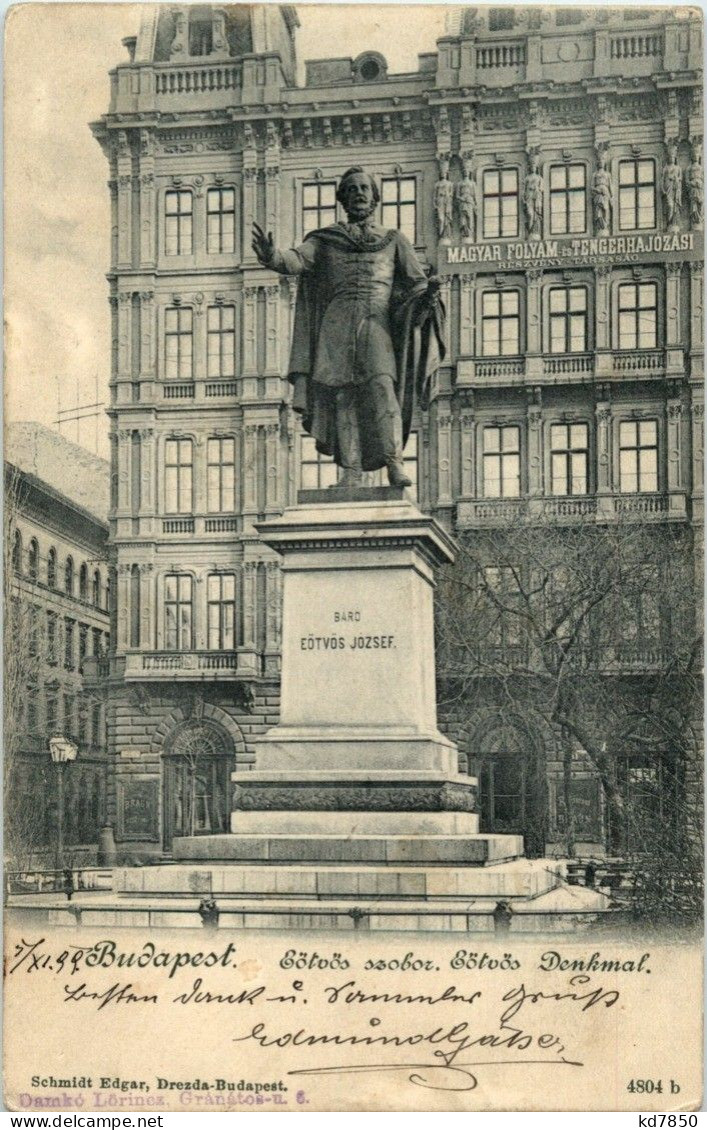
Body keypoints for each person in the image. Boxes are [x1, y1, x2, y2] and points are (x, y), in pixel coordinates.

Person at [252, 167, 445, 489]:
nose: (358, 193)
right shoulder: (325, 239)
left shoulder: (395, 240)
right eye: (351, 189)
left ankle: (394, 464)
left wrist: (429, 295)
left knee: (384, 391)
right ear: (342, 198)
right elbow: (296, 260)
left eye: (364, 189)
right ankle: (351, 472)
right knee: (344, 399)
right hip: (336, 327)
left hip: (378, 325)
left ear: (374, 198)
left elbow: (416, 284)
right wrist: (272, 256)